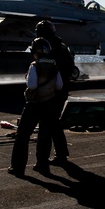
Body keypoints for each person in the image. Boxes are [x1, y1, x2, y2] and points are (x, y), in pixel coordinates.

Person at [8, 37, 63, 176]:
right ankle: (42, 165)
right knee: (45, 135)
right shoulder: (54, 65)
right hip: (49, 104)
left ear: (35, 51)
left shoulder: (35, 65)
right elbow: (59, 85)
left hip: (34, 105)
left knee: (22, 136)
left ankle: (18, 168)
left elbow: (31, 85)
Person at [35, 20, 74, 164]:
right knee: (54, 123)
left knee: (46, 125)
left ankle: (43, 161)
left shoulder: (48, 48)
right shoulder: (63, 47)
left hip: (51, 92)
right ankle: (61, 154)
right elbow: (70, 69)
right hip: (61, 90)